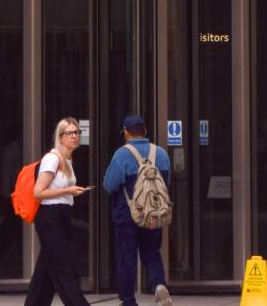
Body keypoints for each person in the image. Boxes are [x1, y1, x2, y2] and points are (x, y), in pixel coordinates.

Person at [102, 115, 173, 306]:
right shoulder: (161, 153)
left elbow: (110, 185)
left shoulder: (122, 154)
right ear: (146, 131)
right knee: (151, 253)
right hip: (153, 215)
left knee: (127, 258)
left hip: (127, 216)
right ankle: (158, 284)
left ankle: (128, 300)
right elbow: (165, 184)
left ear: (126, 132)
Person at [23, 117, 92, 306]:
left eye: (77, 133)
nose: (75, 137)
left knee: (45, 271)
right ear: (60, 137)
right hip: (50, 218)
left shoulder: (67, 160)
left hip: (63, 216)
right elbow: (39, 193)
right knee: (66, 270)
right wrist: (68, 190)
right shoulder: (51, 159)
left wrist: (71, 192)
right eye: (69, 133)